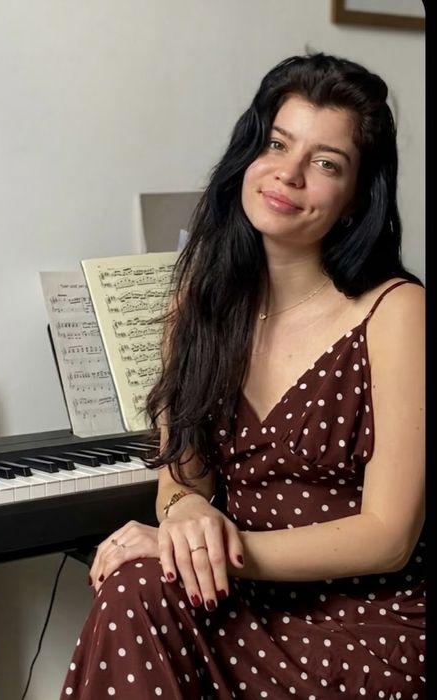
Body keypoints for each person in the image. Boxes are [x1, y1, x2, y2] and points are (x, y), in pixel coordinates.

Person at [60, 52, 425, 699]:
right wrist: (186, 512)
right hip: (238, 606)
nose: (289, 173)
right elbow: (183, 479)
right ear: (249, 154)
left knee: (149, 574)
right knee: (136, 587)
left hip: (362, 626)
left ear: (354, 199)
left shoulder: (397, 311)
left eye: (326, 163)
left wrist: (216, 548)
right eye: (278, 144)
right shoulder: (196, 308)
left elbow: (389, 536)